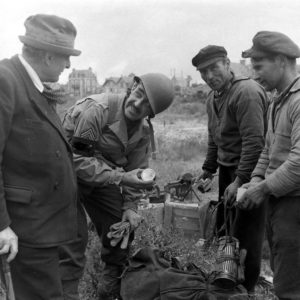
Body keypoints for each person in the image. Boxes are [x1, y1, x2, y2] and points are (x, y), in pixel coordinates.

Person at [62, 73, 174, 299]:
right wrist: (121, 178)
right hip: (62, 173)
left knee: (120, 226)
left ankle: (109, 290)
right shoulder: (98, 110)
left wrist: (130, 206)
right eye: (139, 95)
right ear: (133, 87)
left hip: (100, 175)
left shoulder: (142, 131)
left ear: (151, 114)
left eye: (146, 106)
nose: (137, 104)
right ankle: (63, 293)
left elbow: (138, 169)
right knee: (72, 238)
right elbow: (76, 161)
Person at [0, 14, 85, 300]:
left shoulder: (33, 86)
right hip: (25, 229)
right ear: (48, 56)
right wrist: (1, 225)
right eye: (66, 57)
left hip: (43, 226)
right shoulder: (6, 80)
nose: (68, 66)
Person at [191, 45, 268, 292]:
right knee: (228, 232)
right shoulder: (212, 98)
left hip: (250, 173)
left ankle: (249, 288)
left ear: (227, 63)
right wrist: (208, 168)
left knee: (247, 235)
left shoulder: (245, 92)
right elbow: (215, 137)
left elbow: (254, 142)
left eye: (214, 68)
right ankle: (230, 282)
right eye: (203, 72)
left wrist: (241, 181)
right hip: (227, 172)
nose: (209, 76)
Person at [238, 31, 300, 299]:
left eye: (259, 66)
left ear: (281, 60)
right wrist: (254, 180)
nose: (255, 74)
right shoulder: (278, 100)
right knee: (282, 273)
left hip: (295, 205)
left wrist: (261, 189)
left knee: (291, 286)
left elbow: (298, 163)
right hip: (278, 201)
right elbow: (268, 150)